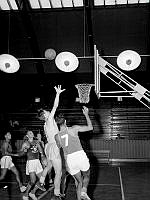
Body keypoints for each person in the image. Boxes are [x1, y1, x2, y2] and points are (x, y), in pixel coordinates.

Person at [55, 106, 93, 200]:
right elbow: (90, 127)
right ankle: (84, 191)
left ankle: (80, 197)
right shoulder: (73, 129)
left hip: (70, 159)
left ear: (57, 123)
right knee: (87, 175)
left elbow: (63, 150)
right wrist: (86, 115)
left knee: (79, 182)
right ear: (65, 121)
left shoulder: (57, 136)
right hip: (79, 155)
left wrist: (67, 164)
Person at [37, 85, 65, 198]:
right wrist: (57, 94)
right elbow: (55, 106)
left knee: (49, 166)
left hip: (48, 146)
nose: (48, 111)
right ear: (44, 115)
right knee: (59, 172)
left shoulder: (45, 124)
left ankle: (41, 181)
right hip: (53, 146)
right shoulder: (48, 120)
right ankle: (57, 193)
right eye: (46, 111)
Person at [19, 130, 47, 200]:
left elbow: (41, 151)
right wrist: (24, 151)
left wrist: (43, 156)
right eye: (30, 133)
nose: (32, 133)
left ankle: (32, 192)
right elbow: (20, 152)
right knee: (33, 181)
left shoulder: (36, 142)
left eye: (32, 132)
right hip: (31, 162)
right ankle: (25, 195)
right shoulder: (26, 143)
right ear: (27, 136)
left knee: (42, 180)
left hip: (37, 162)